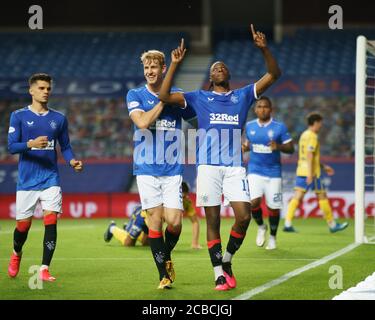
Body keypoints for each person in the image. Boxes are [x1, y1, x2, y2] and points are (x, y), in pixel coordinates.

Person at [159, 25, 281, 290]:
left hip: (235, 168)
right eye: (215, 67)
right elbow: (164, 96)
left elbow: (274, 74)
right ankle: (218, 274)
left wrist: (264, 49)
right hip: (208, 168)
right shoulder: (199, 97)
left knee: (244, 216)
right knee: (212, 221)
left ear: (229, 74)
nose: (219, 67)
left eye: (223, 65)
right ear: (210, 77)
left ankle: (227, 260)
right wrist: (174, 64)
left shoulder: (243, 95)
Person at [126, 50, 196, 289]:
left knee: (175, 222)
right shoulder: (135, 94)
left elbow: (196, 119)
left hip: (172, 169)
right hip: (146, 170)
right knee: (155, 221)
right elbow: (143, 122)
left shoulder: (178, 96)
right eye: (146, 68)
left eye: (154, 67)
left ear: (163, 69)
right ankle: (163, 276)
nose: (149, 71)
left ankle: (165, 257)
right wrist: (163, 100)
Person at [7, 73, 83, 281]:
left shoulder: (59, 118)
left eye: (48, 88)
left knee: (51, 220)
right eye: (41, 88)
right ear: (31, 90)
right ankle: (16, 254)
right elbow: (12, 146)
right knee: (23, 226)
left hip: (50, 178)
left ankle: (44, 268)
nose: (46, 91)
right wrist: (30, 144)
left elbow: (65, 147)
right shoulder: (18, 116)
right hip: (27, 180)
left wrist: (72, 161)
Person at [242, 96, 294, 250]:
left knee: (273, 208)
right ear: (255, 109)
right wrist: (245, 147)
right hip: (255, 170)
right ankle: (261, 226)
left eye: (265, 107)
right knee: (253, 202)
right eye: (259, 106)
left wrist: (278, 146)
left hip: (273, 173)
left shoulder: (279, 127)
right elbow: (248, 144)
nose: (262, 109)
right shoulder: (250, 126)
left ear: (271, 109)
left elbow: (291, 148)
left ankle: (272, 237)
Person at [283, 112, 349, 233]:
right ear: (316, 123)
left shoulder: (304, 135)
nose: (321, 126)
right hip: (312, 172)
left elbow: (307, 155)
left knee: (298, 196)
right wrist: (310, 173)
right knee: (322, 196)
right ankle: (332, 225)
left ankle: (287, 223)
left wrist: (324, 166)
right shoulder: (312, 136)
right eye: (320, 123)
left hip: (301, 169)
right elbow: (309, 154)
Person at [103, 183, 202, 249]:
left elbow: (195, 222)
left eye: (185, 196)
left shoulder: (186, 202)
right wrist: (166, 244)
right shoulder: (165, 200)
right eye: (182, 196)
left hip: (154, 221)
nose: (183, 198)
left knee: (146, 243)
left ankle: (128, 228)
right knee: (129, 243)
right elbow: (158, 220)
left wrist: (195, 243)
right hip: (143, 215)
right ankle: (112, 228)